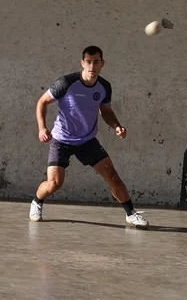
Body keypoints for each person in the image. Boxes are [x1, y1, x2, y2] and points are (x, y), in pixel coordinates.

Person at [30, 46, 148, 227]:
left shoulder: (104, 86)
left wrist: (117, 126)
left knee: (112, 176)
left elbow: (105, 111)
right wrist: (42, 128)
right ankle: (37, 202)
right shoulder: (66, 83)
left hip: (87, 141)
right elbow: (42, 102)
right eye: (89, 62)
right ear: (82, 63)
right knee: (54, 183)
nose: (92, 66)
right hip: (61, 140)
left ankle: (130, 213)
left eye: (96, 62)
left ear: (102, 64)